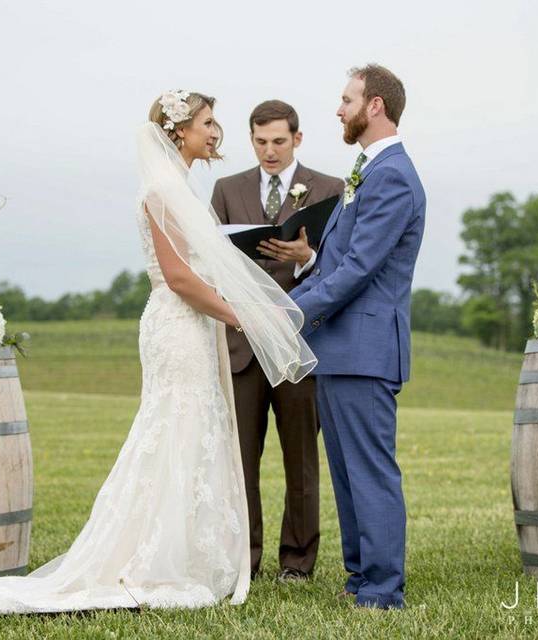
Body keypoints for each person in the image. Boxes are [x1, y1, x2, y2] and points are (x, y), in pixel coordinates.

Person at [0, 91, 316, 614]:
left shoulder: (183, 187)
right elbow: (180, 278)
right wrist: (243, 314)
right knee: (174, 428)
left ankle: (186, 553)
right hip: (177, 324)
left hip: (193, 326)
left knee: (193, 432)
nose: (216, 133)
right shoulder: (163, 191)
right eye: (207, 123)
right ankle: (153, 560)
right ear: (178, 132)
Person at [286, 64, 426, 610]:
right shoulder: (368, 169)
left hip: (366, 350)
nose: (338, 109)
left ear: (375, 106)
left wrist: (287, 314)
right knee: (346, 476)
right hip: (340, 349)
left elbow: (359, 270)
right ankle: (359, 578)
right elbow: (338, 261)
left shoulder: (391, 174)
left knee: (369, 474)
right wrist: (298, 286)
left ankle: (383, 589)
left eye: (346, 99)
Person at [211, 99, 343, 582]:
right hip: (242, 345)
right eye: (261, 142)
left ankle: (298, 562)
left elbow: (344, 266)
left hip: (299, 344)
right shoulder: (226, 189)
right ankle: (243, 559)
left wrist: (307, 257)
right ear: (251, 139)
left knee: (302, 460)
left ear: (298, 139)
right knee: (240, 460)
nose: (270, 151)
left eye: (279, 142)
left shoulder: (330, 189)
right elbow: (210, 260)